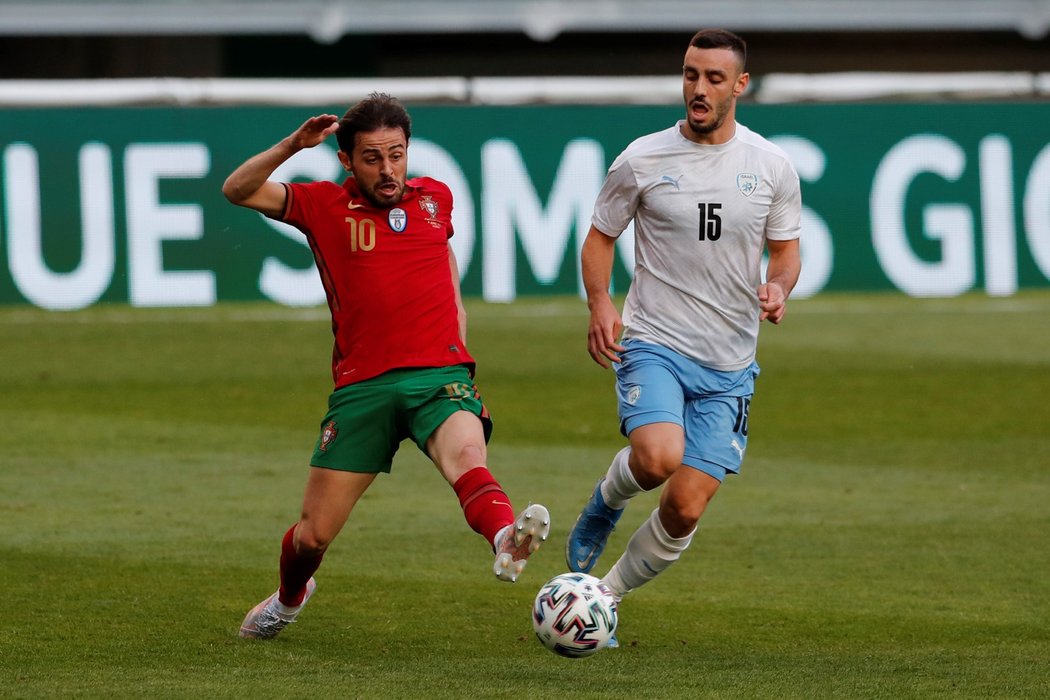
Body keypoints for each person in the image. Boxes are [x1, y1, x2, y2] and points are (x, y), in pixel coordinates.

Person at [223, 92, 550, 640]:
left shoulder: (435, 198)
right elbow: (236, 189)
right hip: (363, 389)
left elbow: (442, 265)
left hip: (438, 377)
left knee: (467, 456)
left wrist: (458, 337)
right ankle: (288, 599)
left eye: (396, 154)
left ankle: (504, 539)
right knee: (312, 538)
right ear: (347, 161)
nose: (388, 168)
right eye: (372, 157)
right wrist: (292, 146)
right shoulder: (322, 206)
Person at [565, 29, 802, 637]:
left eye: (714, 78)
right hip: (655, 342)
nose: (699, 88)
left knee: (686, 505)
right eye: (691, 74)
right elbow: (600, 235)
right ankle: (606, 500)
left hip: (730, 365)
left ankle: (604, 599)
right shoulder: (643, 158)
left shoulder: (771, 166)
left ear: (740, 85)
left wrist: (779, 287)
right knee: (658, 457)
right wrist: (599, 302)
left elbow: (785, 252)